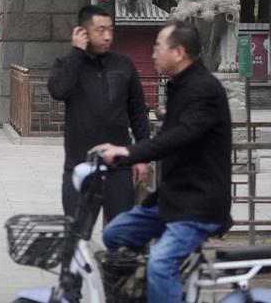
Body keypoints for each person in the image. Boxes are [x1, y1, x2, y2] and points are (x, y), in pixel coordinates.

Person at [95, 21, 231, 303]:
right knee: (115, 233)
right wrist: (125, 156)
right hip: (171, 199)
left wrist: (130, 153)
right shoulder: (179, 85)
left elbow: (181, 136)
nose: (153, 53)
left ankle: (163, 284)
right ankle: (158, 291)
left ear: (179, 52)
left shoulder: (205, 89)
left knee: (160, 264)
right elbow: (167, 138)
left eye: (158, 47)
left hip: (197, 204)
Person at [48, 5, 150, 223]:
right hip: (80, 163)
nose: (107, 36)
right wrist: (76, 52)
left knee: (121, 236)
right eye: (100, 30)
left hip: (118, 166)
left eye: (110, 30)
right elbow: (58, 91)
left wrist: (141, 154)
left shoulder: (123, 65)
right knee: (75, 235)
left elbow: (138, 111)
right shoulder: (66, 64)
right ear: (83, 32)